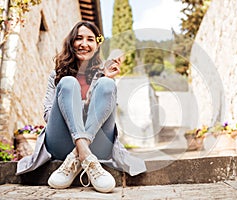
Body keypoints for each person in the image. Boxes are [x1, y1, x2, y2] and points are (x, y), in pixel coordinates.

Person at [15, 21, 146, 193]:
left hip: (98, 145)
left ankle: (78, 156)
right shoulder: (58, 75)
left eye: (90, 39)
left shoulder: (102, 75)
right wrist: (68, 101)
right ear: (71, 43)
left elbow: (107, 114)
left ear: (97, 45)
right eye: (79, 39)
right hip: (61, 142)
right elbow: (48, 115)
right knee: (68, 82)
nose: (84, 44)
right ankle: (86, 156)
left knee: (107, 84)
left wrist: (103, 79)